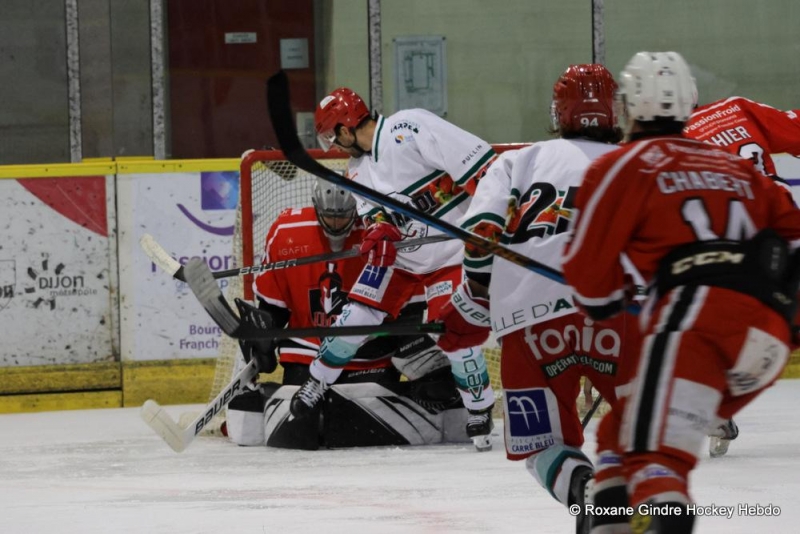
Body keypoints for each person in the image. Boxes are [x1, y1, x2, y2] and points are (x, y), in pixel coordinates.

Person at [563, 51, 800, 533]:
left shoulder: (623, 165)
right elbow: (793, 232)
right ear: (689, 103)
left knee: (655, 459)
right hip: (769, 342)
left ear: (627, 108)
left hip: (696, 323)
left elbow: (588, 273)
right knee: (619, 433)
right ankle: (608, 522)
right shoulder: (738, 169)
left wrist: (606, 300)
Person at [439, 64, 639, 534]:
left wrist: (471, 306)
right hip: (622, 314)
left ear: (557, 112)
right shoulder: (640, 164)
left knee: (543, 445)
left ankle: (588, 494)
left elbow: (481, 238)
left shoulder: (518, 162)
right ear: (618, 111)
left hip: (530, 324)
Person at [290, 87, 498, 451]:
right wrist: (380, 232)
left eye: (333, 138)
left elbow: (481, 163)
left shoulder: (410, 128)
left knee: (454, 330)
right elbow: (377, 217)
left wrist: (489, 217)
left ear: (345, 128)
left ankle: (479, 408)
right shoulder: (355, 172)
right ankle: (318, 381)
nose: (335, 148)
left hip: (449, 253)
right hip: (403, 259)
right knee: (354, 318)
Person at [226, 179, 466, 450]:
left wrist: (413, 352)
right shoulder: (287, 230)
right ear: (316, 209)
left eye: (343, 217)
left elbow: (409, 306)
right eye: (329, 216)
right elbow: (274, 306)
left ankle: (463, 396)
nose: (337, 224)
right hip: (307, 353)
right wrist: (265, 338)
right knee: (305, 428)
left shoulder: (383, 232)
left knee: (359, 427)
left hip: (370, 354)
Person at [685, 96, 800, 457]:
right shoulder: (736, 108)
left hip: (732, 250)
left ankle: (713, 407)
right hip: (784, 229)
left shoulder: (663, 145)